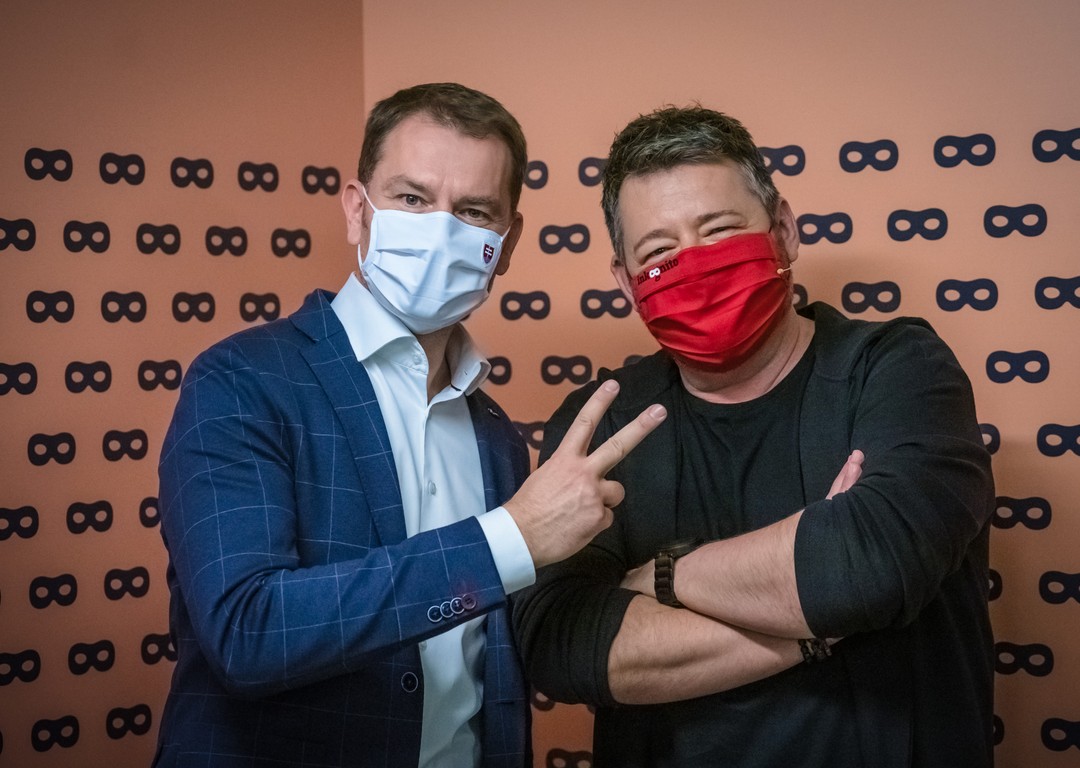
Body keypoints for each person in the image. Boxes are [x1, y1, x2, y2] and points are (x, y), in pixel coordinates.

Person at [153, 82, 665, 768]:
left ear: (506, 243)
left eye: (475, 211)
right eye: (413, 199)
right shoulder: (242, 381)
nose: (441, 230)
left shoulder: (495, 437)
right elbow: (247, 634)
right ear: (356, 210)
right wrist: (508, 540)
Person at [512, 105, 996, 767]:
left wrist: (661, 576)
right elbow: (562, 645)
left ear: (784, 230)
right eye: (659, 254)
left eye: (719, 231)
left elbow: (871, 566)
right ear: (625, 282)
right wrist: (814, 626)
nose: (693, 265)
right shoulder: (602, 422)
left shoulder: (900, 368)